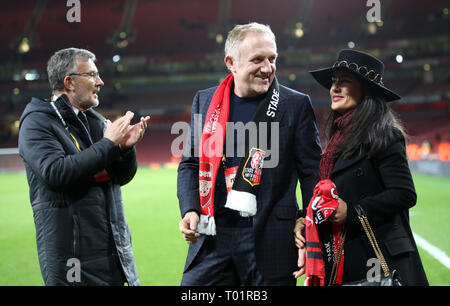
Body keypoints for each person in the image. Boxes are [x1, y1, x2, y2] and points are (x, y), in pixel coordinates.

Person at [177, 22, 321, 285]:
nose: (267, 68)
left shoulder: (295, 104)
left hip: (271, 240)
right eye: (257, 59)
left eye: (272, 59)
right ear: (231, 62)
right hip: (213, 235)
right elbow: (190, 164)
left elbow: (313, 173)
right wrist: (190, 209)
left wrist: (309, 222)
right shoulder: (205, 100)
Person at [18, 48, 150, 286]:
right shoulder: (37, 122)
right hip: (73, 262)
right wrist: (109, 143)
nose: (99, 82)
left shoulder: (96, 121)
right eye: (91, 75)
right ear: (69, 82)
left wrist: (124, 150)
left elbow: (119, 177)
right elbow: (56, 173)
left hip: (115, 254)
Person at [298, 49, 428, 285]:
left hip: (380, 259)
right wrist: (303, 219)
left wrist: (353, 211)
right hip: (343, 259)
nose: (334, 88)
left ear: (365, 90)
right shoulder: (336, 143)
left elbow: (404, 193)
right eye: (333, 82)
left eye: (344, 82)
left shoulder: (385, 136)